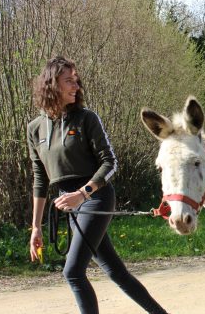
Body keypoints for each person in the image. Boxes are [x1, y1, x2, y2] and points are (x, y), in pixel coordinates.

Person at [27, 56, 168, 314]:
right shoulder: (35, 128)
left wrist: (82, 194)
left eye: (76, 80)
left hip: (95, 197)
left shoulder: (86, 118)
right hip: (70, 205)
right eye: (68, 80)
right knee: (115, 271)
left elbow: (110, 162)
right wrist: (35, 227)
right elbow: (40, 178)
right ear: (51, 84)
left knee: (73, 272)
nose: (76, 86)